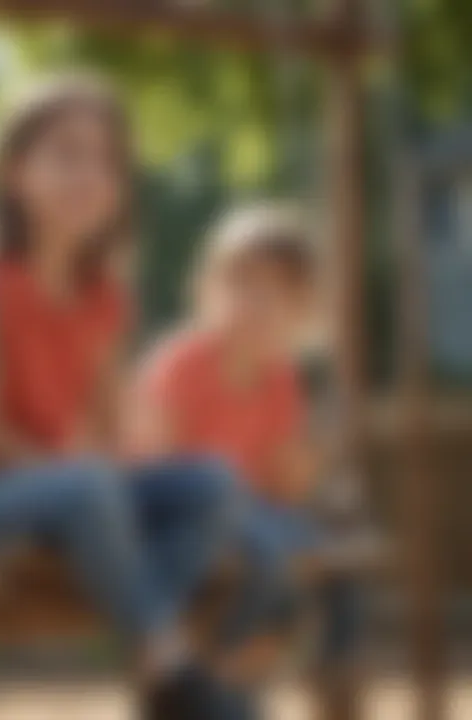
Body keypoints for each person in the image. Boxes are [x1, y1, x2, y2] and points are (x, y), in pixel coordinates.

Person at [0, 75, 234, 719]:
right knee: (87, 485)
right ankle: (170, 661)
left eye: (106, 159)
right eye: (67, 153)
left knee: (210, 481)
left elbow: (110, 439)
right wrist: (84, 477)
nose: (90, 172)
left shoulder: (104, 298)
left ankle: (157, 660)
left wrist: (129, 462)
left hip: (53, 493)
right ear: (14, 174)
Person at [135, 204, 359, 716]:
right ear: (205, 289)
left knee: (338, 561)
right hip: (188, 517)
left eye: (278, 291)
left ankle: (305, 672)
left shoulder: (281, 376)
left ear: (300, 308)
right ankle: (213, 679)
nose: (257, 302)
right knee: (267, 555)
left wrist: (315, 452)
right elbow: (154, 465)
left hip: (255, 516)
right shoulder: (179, 362)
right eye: (241, 284)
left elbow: (286, 487)